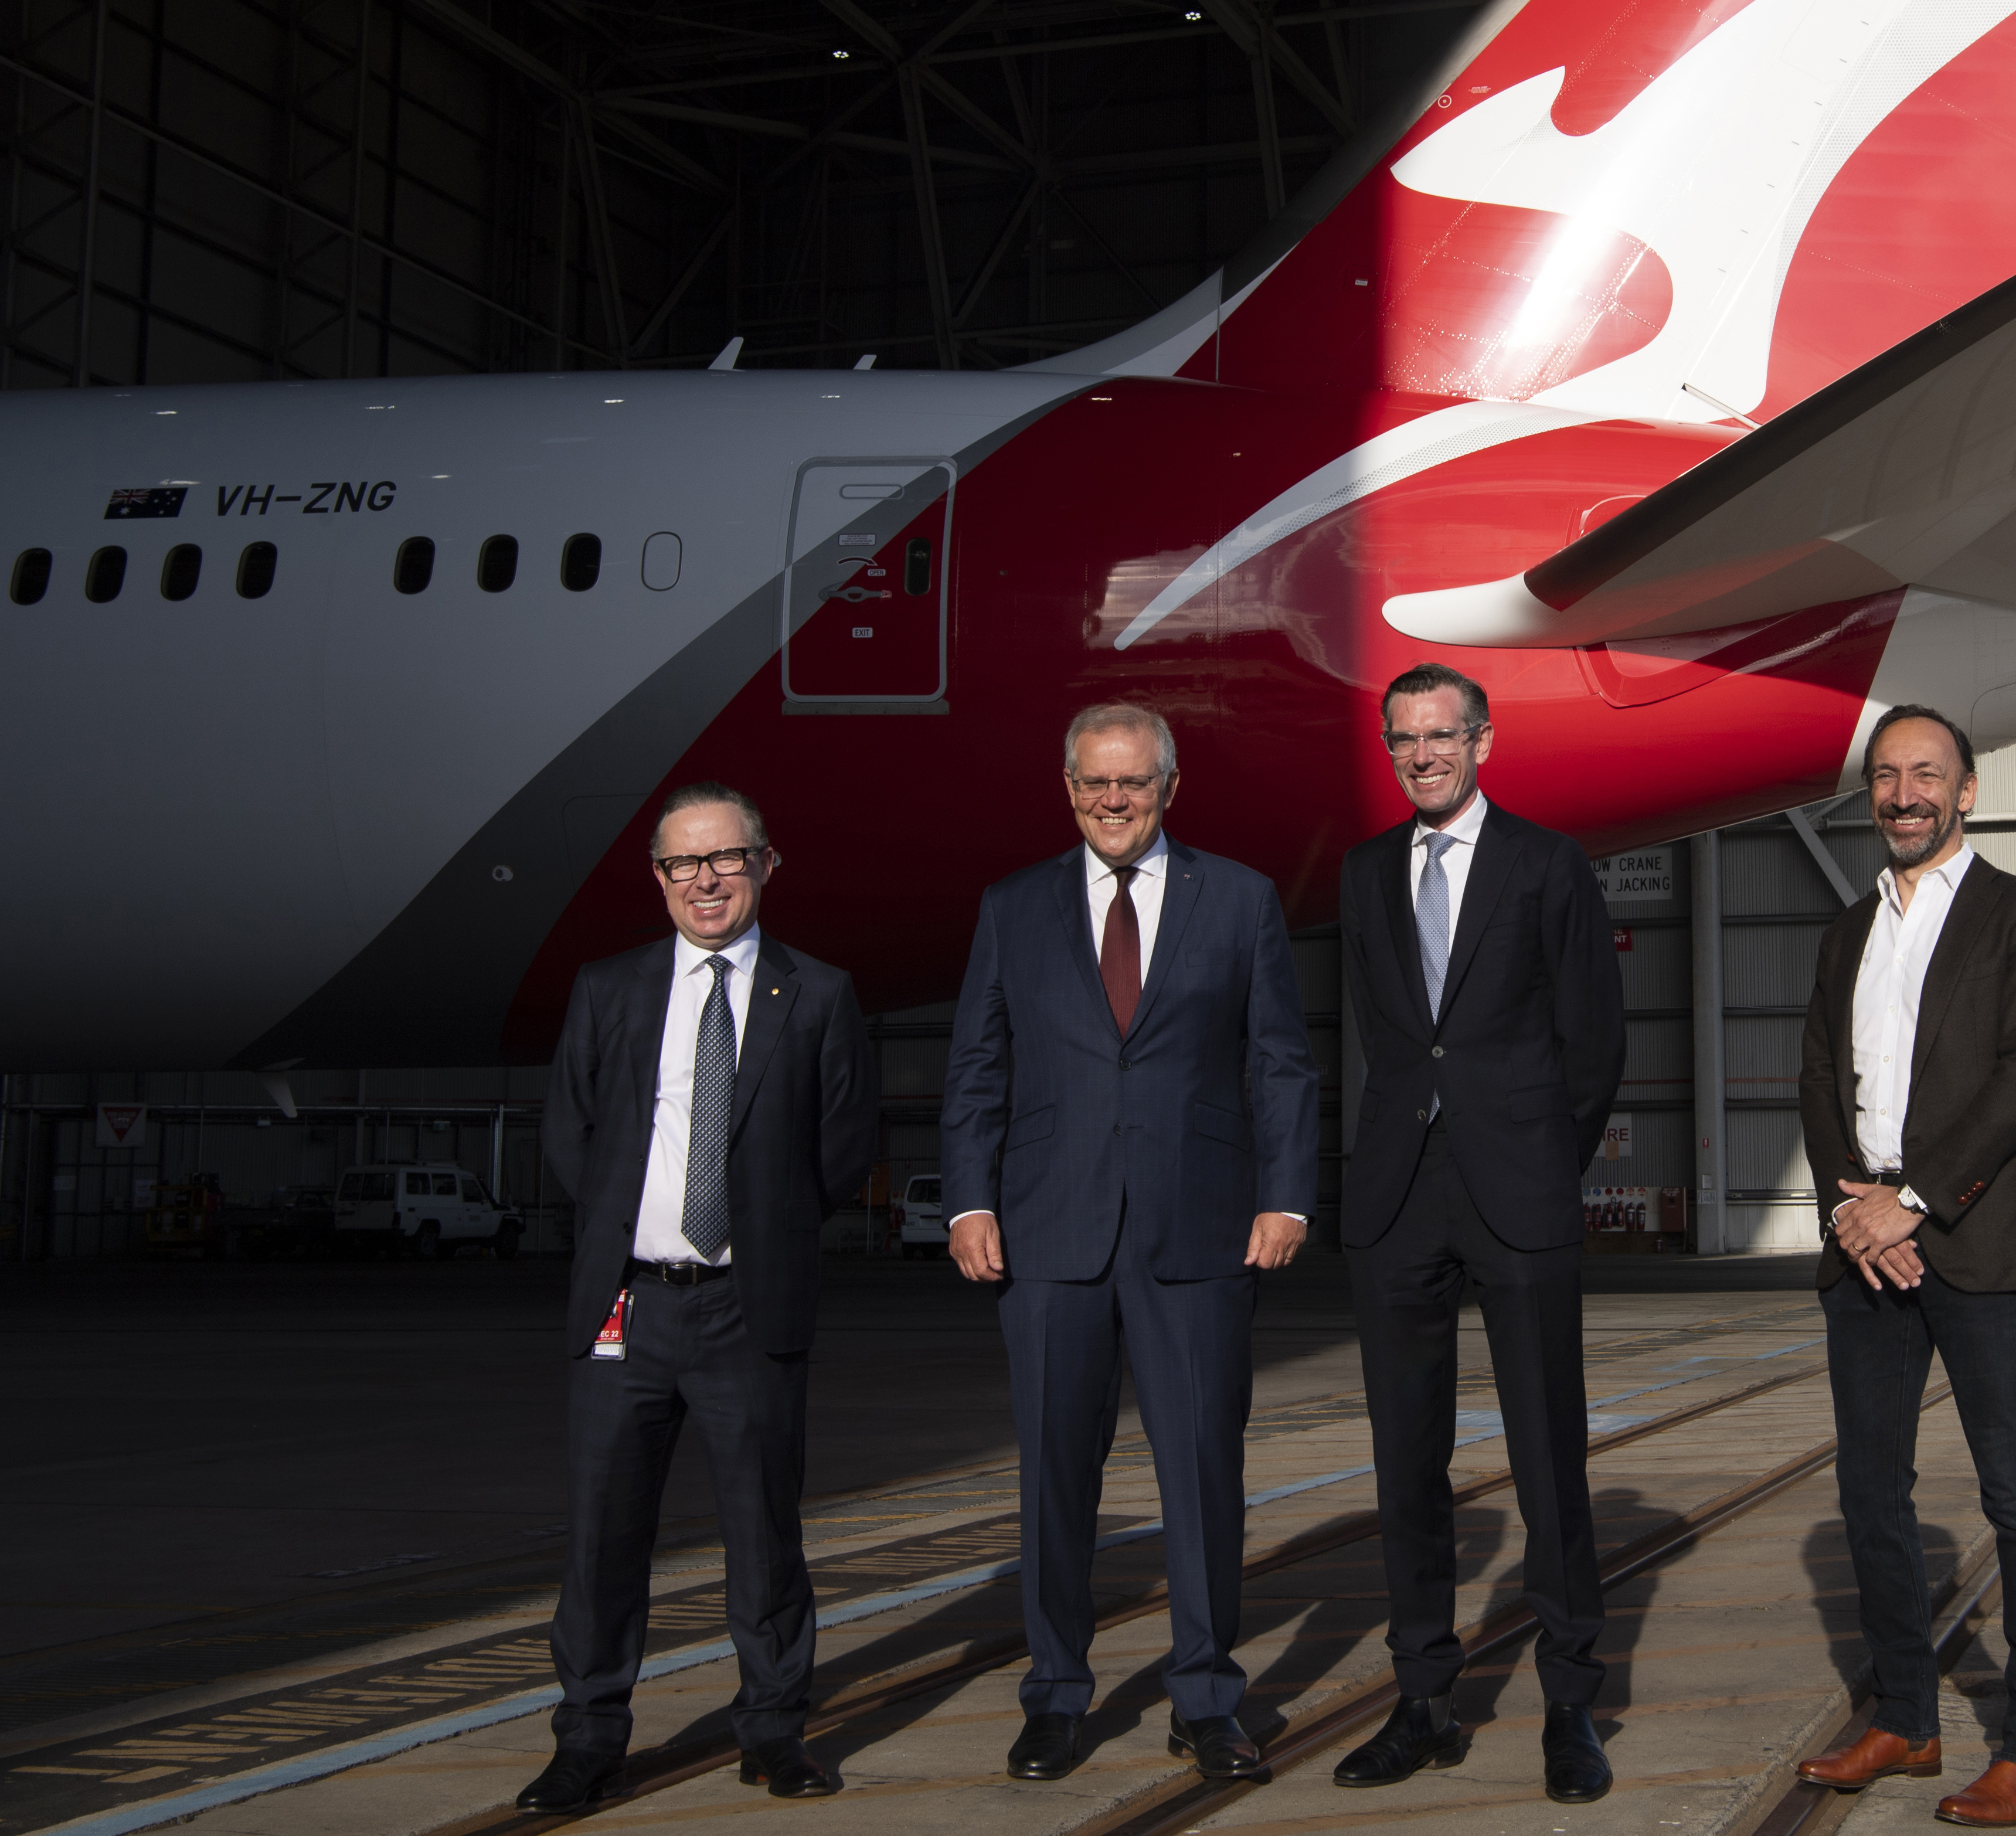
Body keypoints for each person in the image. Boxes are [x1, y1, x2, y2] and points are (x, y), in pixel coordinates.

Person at [941, 705, 1319, 1784]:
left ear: (1170, 786)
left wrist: (1286, 1197)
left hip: (1199, 1235)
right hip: (1048, 1238)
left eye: (1134, 783)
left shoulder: (1240, 899)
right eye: (1095, 784)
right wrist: (968, 1202)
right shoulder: (1013, 908)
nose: (1114, 801)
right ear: (1067, 788)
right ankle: (1056, 1696)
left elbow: (1280, 1062)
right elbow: (976, 1067)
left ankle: (1206, 1699)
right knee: (1057, 1478)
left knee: (1203, 1474)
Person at [521, 781, 878, 1811]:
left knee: (764, 1533)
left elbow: (843, 1149)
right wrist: (624, 1240)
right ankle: (588, 1739)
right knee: (601, 1536)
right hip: (627, 1306)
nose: (705, 880)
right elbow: (570, 1132)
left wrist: (760, 1235)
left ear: (767, 865)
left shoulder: (817, 993)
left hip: (746, 1307)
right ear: (660, 879)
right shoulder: (611, 988)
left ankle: (773, 1732)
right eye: (684, 864)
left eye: (726, 859)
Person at [1328, 662, 1626, 1806]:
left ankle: (1569, 1705)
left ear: (1483, 741)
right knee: (1407, 1464)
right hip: (1400, 1194)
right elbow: (1391, 1035)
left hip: (1520, 1193)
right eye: (1403, 739)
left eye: (1441, 736)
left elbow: (1593, 1043)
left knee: (1549, 1460)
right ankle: (1424, 1702)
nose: (1422, 756)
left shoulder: (1548, 864)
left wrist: (1544, 1157)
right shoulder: (1363, 875)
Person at [1789, 706, 2016, 1829]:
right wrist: (1852, 1209)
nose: (1904, 794)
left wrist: (1908, 1204)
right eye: (1887, 777)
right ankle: (1906, 1718)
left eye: (1927, 776)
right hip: (1864, 1247)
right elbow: (1818, 1080)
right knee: (1871, 1492)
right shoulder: (1845, 929)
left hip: (1977, 1238)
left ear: (1968, 791)